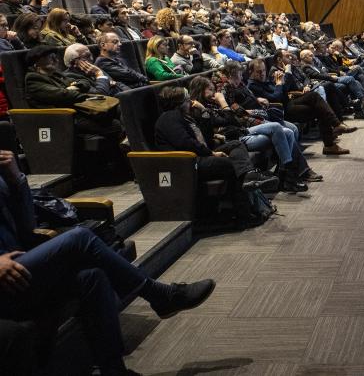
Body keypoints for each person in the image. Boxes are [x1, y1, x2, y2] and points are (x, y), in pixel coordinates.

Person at [0, 149, 216, 376]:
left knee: (93, 275)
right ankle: (159, 295)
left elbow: (27, 227)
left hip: (19, 271)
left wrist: (16, 180)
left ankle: (113, 370)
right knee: (79, 238)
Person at [153, 86, 262, 228]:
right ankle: (244, 215)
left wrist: (204, 112)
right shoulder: (169, 118)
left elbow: (205, 137)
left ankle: (247, 176)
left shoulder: (185, 116)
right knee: (231, 164)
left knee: (236, 144)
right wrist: (211, 153)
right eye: (187, 100)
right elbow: (186, 143)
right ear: (179, 104)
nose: (191, 102)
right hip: (187, 162)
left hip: (200, 154)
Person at [187, 76, 316, 192]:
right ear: (200, 90)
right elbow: (228, 120)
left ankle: (285, 176)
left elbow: (234, 120)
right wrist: (223, 102)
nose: (215, 93)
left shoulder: (210, 104)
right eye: (210, 90)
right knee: (278, 128)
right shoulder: (198, 108)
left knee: (288, 131)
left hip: (241, 130)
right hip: (233, 138)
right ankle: (288, 177)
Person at [246, 58, 349, 156]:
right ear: (251, 72)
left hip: (289, 103)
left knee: (314, 96)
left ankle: (335, 128)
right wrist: (278, 84)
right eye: (259, 71)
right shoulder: (252, 85)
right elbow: (276, 98)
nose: (262, 73)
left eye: (264, 70)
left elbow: (285, 92)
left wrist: (283, 79)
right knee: (320, 109)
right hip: (280, 111)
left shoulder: (265, 80)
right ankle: (331, 140)